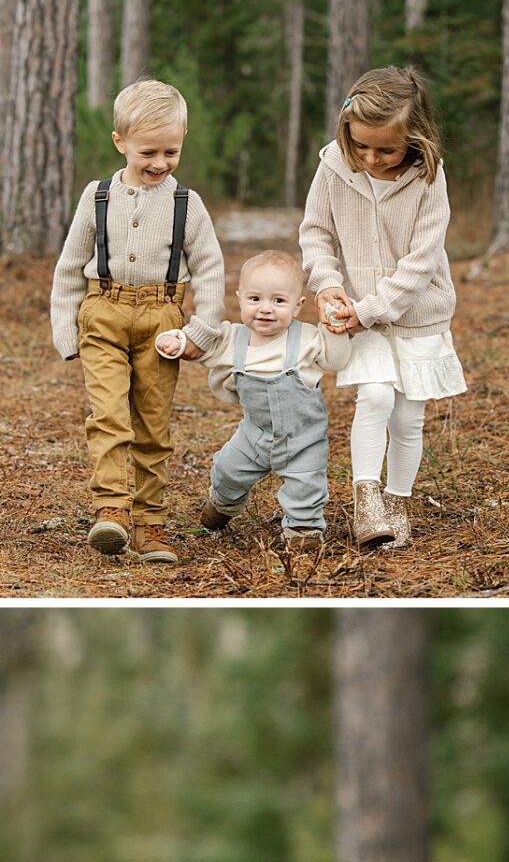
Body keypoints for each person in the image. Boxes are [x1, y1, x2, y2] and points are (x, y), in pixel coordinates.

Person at [49, 78, 227, 564]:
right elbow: (69, 265)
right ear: (120, 142)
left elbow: (210, 269)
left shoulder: (186, 205)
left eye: (171, 151)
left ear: (183, 141)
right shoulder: (97, 196)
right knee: (107, 415)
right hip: (102, 314)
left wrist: (200, 331)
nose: (159, 163)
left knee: (152, 423)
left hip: (162, 320)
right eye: (148, 151)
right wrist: (67, 331)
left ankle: (151, 525)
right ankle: (111, 512)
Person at [299, 66, 468, 554]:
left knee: (408, 416)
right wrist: (329, 286)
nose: (371, 158)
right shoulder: (333, 167)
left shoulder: (428, 180)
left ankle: (398, 501)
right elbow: (316, 233)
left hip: (414, 315)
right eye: (361, 146)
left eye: (386, 149)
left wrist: (372, 308)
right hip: (355, 312)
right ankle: (366, 498)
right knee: (373, 397)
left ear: (415, 140)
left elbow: (421, 262)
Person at [169, 251, 357, 567]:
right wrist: (178, 340)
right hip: (254, 435)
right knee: (229, 468)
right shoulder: (232, 337)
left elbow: (336, 359)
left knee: (306, 483)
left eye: (279, 301)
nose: (266, 309)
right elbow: (201, 347)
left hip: (303, 438)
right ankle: (223, 504)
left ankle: (303, 530)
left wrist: (333, 328)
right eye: (255, 299)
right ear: (240, 298)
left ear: (298, 306)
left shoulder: (308, 338)